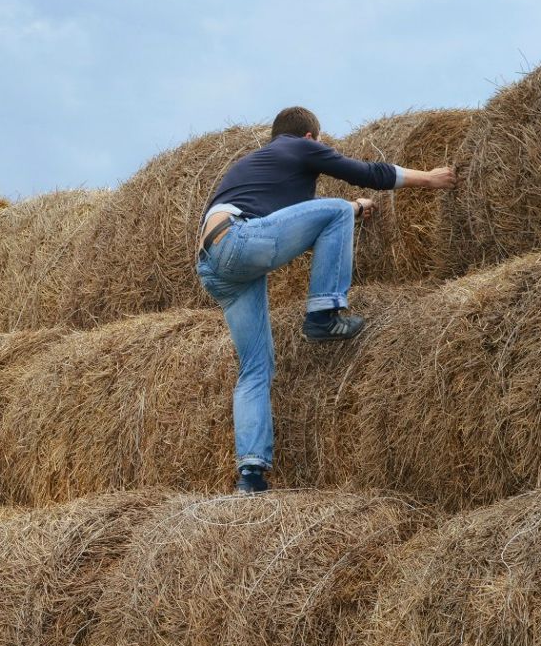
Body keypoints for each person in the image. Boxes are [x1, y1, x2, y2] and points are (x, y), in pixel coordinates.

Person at [196, 106, 457, 494]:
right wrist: (429, 179)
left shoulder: (261, 165)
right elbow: (369, 173)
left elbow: (287, 223)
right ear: (311, 138)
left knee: (256, 367)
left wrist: (354, 209)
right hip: (240, 240)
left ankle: (250, 475)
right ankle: (323, 313)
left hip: (214, 263)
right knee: (336, 209)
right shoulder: (298, 147)